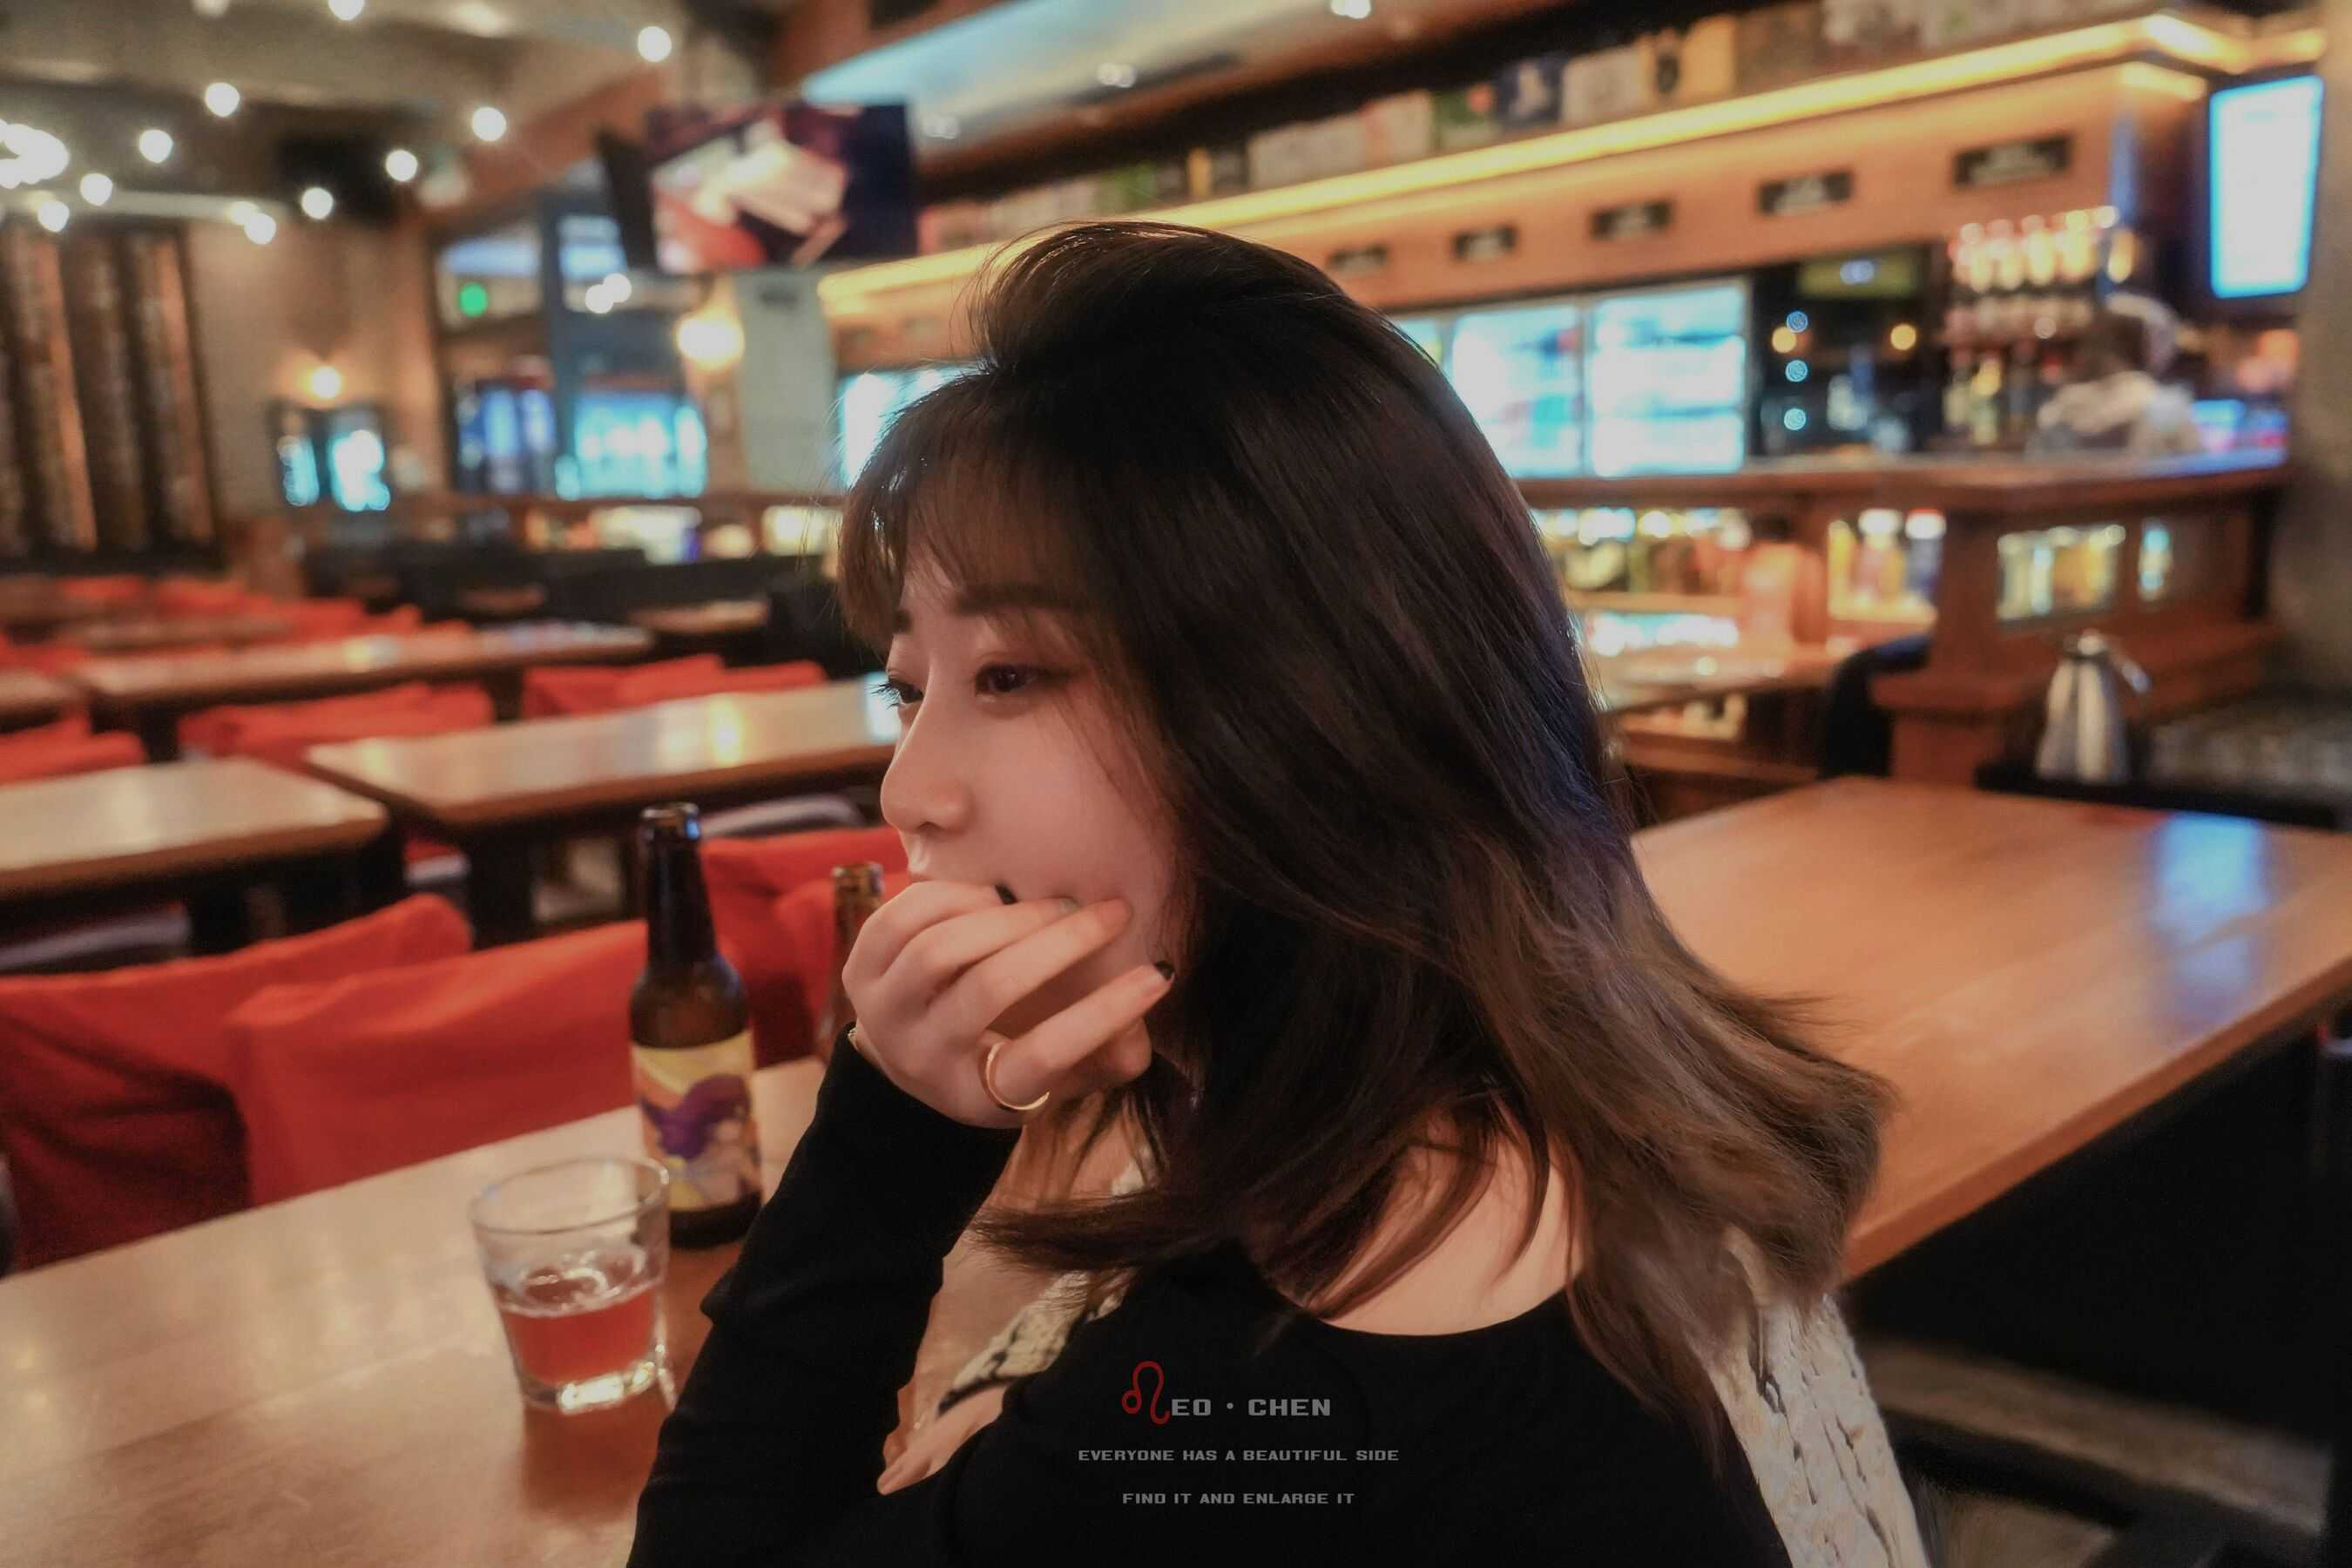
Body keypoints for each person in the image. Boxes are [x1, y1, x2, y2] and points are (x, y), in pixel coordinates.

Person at [626, 220, 1926, 1566]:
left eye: (1010, 676)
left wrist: (890, 1131)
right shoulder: (1558, 1083)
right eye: (910, 687)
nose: (911, 792)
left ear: (1308, 715)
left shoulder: (1276, 1375)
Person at [2029, 293, 2206, 457]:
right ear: (2147, 343)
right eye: (2163, 338)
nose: (2170, 350)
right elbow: (2199, 471)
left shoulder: (2054, 412)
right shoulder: (2169, 411)